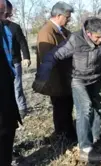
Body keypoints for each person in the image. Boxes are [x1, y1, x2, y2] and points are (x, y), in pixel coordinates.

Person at [34, 17, 101, 162]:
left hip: (96, 78)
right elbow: (53, 55)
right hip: (78, 79)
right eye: (97, 37)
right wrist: (42, 76)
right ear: (89, 33)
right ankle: (85, 148)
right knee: (85, 109)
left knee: (98, 108)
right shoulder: (75, 40)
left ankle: (95, 138)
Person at [34, 1, 76, 140]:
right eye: (67, 17)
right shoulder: (46, 32)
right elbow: (47, 60)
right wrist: (54, 84)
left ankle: (69, 134)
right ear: (59, 15)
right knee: (60, 110)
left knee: (67, 108)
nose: (69, 20)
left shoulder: (63, 31)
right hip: (57, 80)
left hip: (66, 78)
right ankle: (62, 136)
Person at [0, 0, 21, 165]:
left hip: (6, 94)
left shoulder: (5, 29)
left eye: (6, 13)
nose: (6, 17)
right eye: (2, 13)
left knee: (8, 131)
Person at [4, 0, 30, 119]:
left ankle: (21, 108)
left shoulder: (14, 27)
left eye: (8, 13)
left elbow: (22, 43)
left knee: (17, 86)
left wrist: (26, 57)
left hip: (15, 62)